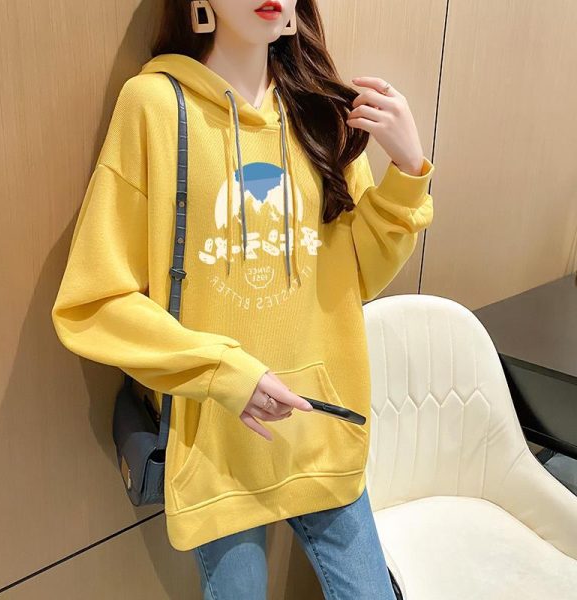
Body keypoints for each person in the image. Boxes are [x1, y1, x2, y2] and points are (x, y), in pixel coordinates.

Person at [51, 0, 434, 597]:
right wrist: (224, 372)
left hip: (322, 428)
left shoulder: (320, 111)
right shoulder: (155, 107)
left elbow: (356, 276)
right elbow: (93, 301)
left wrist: (407, 171)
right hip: (218, 441)